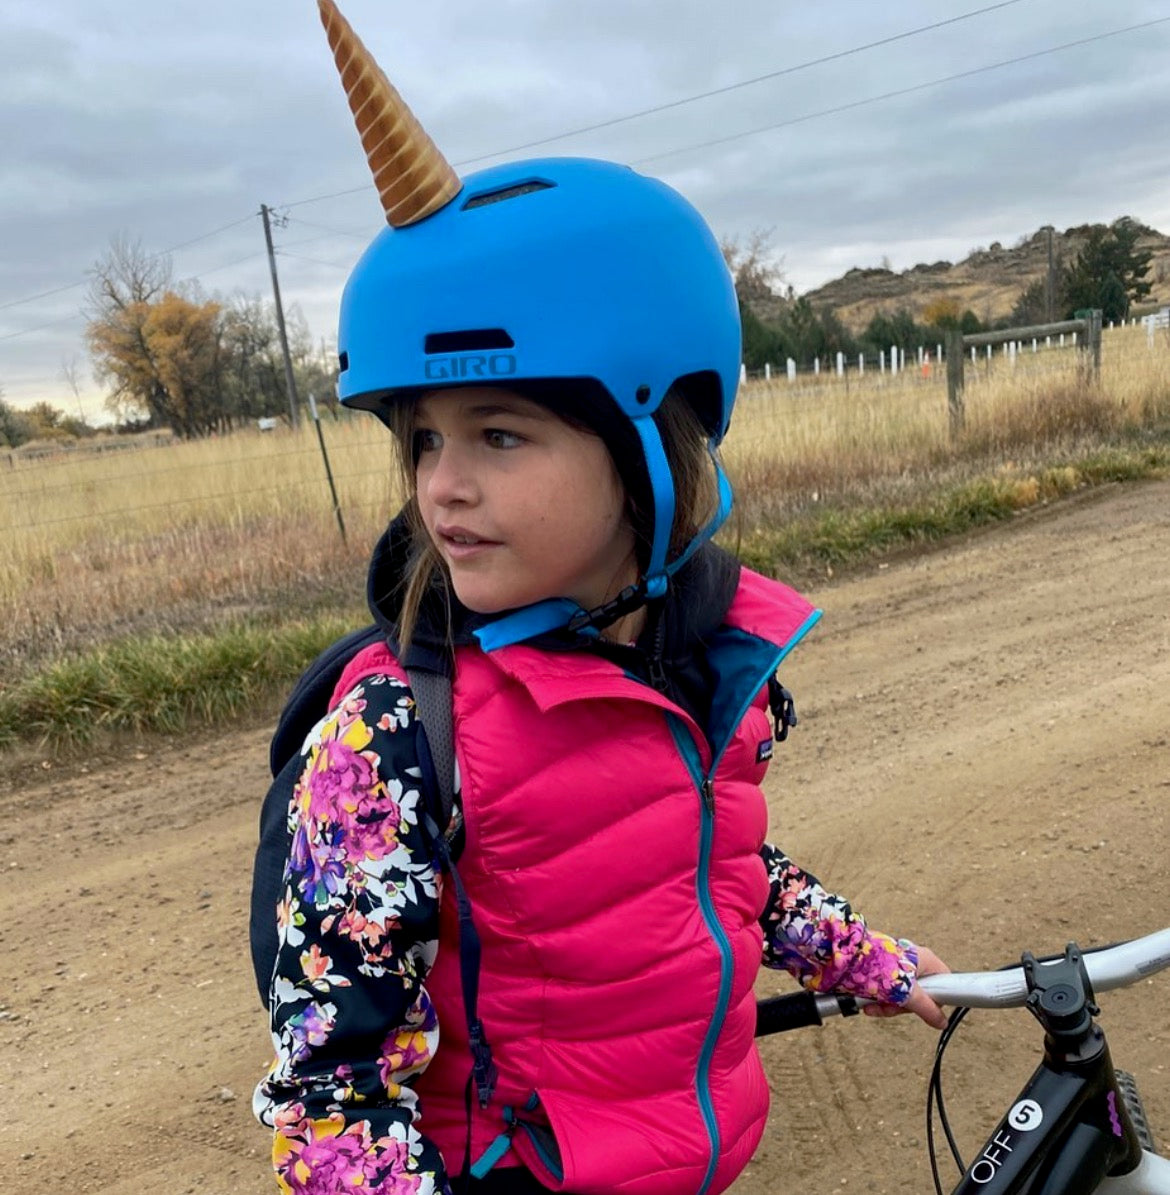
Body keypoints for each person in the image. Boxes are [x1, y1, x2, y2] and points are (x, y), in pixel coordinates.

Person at [251, 4, 950, 1193]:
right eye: (422, 441)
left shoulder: (704, 653)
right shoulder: (395, 738)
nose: (442, 488)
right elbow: (330, 1098)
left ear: (649, 444)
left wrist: (861, 958)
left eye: (501, 433)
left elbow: (715, 861)